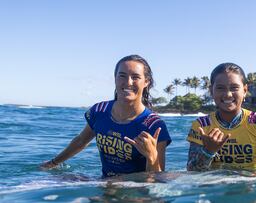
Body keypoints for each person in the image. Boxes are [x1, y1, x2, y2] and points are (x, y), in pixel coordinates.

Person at [41, 55, 172, 177]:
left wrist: (152, 156)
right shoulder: (100, 110)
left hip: (135, 190)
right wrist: (53, 163)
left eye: (135, 77)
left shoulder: (154, 125)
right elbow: (81, 141)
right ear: (115, 78)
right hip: (104, 183)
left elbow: (157, 180)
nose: (128, 82)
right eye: (122, 76)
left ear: (146, 82)